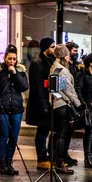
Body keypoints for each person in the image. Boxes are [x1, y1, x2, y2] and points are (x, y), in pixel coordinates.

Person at [0, 44, 28, 176]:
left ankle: (9, 162)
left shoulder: (20, 72)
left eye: (14, 59)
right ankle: (2, 165)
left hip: (16, 109)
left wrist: (15, 73)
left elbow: (24, 87)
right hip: (3, 108)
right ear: (5, 58)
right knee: (4, 136)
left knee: (13, 137)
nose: (12, 61)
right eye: (10, 58)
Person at [50, 44, 82, 175]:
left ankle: (58, 161)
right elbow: (67, 89)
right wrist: (77, 103)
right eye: (68, 55)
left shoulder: (54, 67)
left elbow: (54, 89)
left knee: (59, 135)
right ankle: (60, 162)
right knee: (62, 135)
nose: (69, 57)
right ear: (63, 56)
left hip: (57, 105)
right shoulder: (60, 70)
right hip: (62, 106)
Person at [26, 37, 56, 171]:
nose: (53, 50)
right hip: (41, 103)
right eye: (52, 47)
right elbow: (38, 86)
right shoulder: (37, 64)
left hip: (48, 101)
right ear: (46, 48)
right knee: (42, 131)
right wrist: (44, 105)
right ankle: (41, 158)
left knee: (47, 130)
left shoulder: (50, 62)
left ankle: (47, 157)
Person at [74, 53, 92, 168]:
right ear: (91, 63)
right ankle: (87, 158)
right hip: (87, 105)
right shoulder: (82, 74)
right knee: (89, 130)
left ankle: (91, 157)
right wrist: (83, 103)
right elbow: (78, 89)